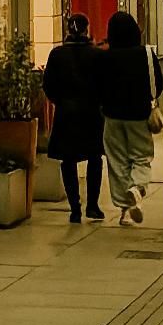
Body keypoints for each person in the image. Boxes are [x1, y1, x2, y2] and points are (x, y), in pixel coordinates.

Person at [41, 14, 107, 222]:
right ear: (87, 29)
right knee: (94, 158)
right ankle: (93, 205)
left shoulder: (57, 55)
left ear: (68, 30)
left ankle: (75, 208)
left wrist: (60, 101)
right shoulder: (96, 55)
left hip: (66, 113)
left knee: (68, 160)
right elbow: (105, 85)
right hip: (92, 113)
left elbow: (48, 85)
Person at [100, 9, 160, 226]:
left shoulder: (106, 57)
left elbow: (98, 87)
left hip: (112, 116)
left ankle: (125, 211)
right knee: (141, 157)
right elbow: (158, 83)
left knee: (117, 162)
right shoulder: (145, 55)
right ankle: (138, 188)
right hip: (139, 115)